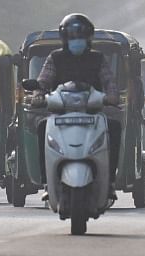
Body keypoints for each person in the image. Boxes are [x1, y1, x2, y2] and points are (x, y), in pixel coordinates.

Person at [34, 13, 122, 198]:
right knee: (42, 127)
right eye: (73, 37)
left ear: (88, 38)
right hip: (60, 114)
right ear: (65, 39)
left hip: (92, 113)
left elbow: (109, 81)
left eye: (81, 37)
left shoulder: (97, 58)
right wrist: (38, 95)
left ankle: (110, 181)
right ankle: (46, 182)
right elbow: (43, 80)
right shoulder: (55, 58)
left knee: (114, 127)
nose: (77, 41)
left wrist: (112, 97)